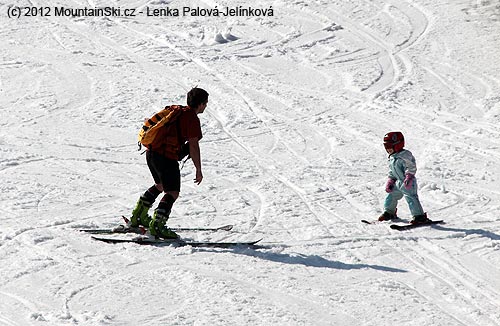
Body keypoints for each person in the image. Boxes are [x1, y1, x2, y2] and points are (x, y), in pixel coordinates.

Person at [129, 87, 209, 238]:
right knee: (172, 192)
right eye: (205, 103)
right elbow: (193, 145)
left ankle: (137, 217)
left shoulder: (176, 111)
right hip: (165, 157)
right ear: (200, 104)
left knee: (160, 185)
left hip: (151, 153)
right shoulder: (191, 118)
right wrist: (198, 169)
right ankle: (157, 227)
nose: (206, 106)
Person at [378, 131, 430, 224]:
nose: (388, 149)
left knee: (411, 198)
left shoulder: (405, 155)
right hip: (398, 182)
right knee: (391, 196)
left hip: (408, 182)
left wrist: (409, 176)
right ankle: (389, 212)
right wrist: (391, 180)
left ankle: (419, 216)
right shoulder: (392, 157)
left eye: (390, 146)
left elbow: (411, 166)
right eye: (386, 147)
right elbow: (392, 170)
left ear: (397, 144)